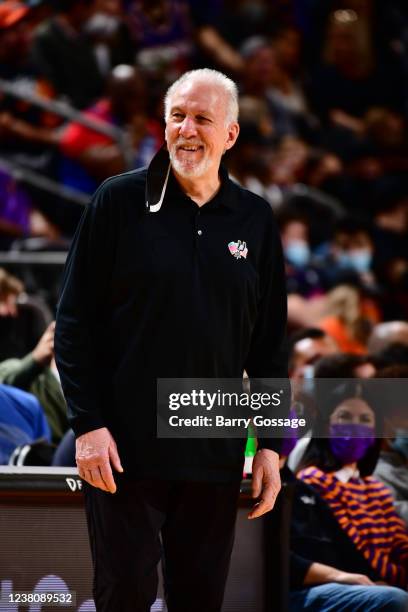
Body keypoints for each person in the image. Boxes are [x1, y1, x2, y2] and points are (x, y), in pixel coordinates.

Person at [55, 68, 288, 612]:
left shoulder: (255, 218)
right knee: (125, 597)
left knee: (200, 600)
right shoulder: (117, 202)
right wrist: (88, 424)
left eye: (202, 118)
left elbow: (270, 345)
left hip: (213, 442)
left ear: (230, 134)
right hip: (124, 450)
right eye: (176, 117)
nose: (187, 130)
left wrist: (272, 445)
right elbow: (73, 324)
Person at [295, 381, 408, 604]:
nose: (355, 426)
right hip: (349, 585)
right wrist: (384, 581)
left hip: (384, 583)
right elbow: (351, 549)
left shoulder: (376, 489)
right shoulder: (313, 481)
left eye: (365, 420)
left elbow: (400, 546)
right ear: (326, 426)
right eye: (345, 417)